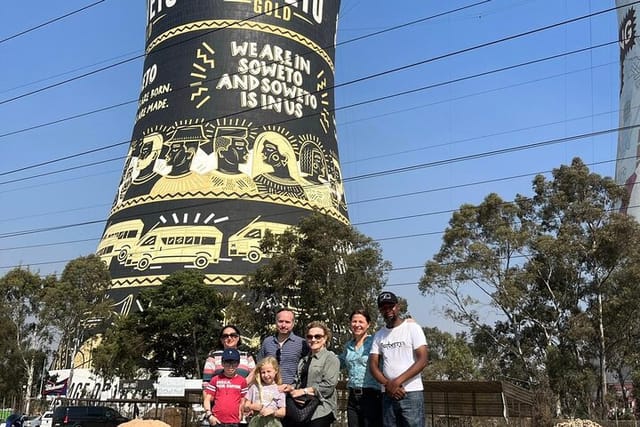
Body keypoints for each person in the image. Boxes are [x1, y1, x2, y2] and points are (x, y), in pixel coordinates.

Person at [369, 291, 428, 427]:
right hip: (388, 393)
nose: (388, 310)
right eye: (384, 308)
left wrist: (396, 382)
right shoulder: (379, 335)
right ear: (380, 311)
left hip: (411, 393)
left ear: (398, 306)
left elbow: (423, 359)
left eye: (391, 306)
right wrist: (387, 384)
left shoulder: (413, 328)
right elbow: (373, 365)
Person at [283, 321, 340, 427]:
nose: (313, 340)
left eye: (317, 336)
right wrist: (290, 388)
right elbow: (297, 380)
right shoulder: (303, 360)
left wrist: (304, 391)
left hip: (320, 407)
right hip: (301, 406)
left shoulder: (330, 358)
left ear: (325, 338)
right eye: (310, 337)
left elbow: (328, 386)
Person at [339, 309, 382, 427]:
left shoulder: (375, 342)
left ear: (368, 324)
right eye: (354, 321)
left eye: (361, 322)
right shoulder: (348, 346)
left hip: (371, 396)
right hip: (352, 397)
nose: (357, 325)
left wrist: (408, 324)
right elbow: (339, 363)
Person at [257, 308, 309, 387]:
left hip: (291, 391)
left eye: (287, 322)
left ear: (293, 323)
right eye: (280, 321)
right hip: (268, 389)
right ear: (276, 322)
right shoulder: (267, 342)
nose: (283, 325)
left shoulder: (301, 343)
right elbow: (259, 365)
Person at [203, 325, 256, 393]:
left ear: (238, 338)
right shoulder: (213, 357)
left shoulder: (247, 356)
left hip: (243, 399)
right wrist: (207, 401)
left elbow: (254, 377)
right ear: (221, 340)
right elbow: (206, 383)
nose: (229, 338)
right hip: (220, 399)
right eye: (225, 336)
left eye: (233, 335)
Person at [204, 348, 249, 427]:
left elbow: (243, 401)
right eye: (227, 363)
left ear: (238, 364)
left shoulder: (242, 381)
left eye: (234, 363)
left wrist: (242, 413)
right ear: (222, 363)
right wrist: (209, 415)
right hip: (217, 422)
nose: (230, 366)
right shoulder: (215, 379)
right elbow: (207, 399)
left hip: (234, 422)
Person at [244, 356, 286, 427]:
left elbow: (283, 412)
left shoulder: (279, 389)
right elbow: (245, 406)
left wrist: (273, 412)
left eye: (269, 371)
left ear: (276, 371)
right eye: (263, 372)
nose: (266, 375)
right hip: (256, 422)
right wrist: (252, 406)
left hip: (273, 422)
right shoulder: (254, 387)